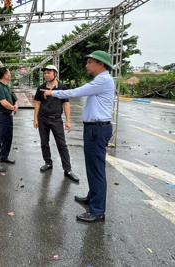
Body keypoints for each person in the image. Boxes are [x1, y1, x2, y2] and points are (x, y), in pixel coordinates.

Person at [41, 50, 114, 223]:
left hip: (97, 129)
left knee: (96, 170)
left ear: (101, 64)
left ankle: (97, 211)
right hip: (94, 128)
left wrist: (52, 93)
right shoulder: (100, 80)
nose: (86, 65)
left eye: (89, 62)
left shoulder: (103, 79)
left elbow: (74, 92)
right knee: (92, 167)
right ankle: (92, 198)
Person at [33, 65, 79, 183]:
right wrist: (35, 119)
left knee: (61, 144)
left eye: (49, 72)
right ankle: (48, 163)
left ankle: (67, 170)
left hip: (56, 119)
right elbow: (37, 103)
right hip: (43, 119)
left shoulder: (62, 88)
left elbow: (66, 104)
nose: (46, 75)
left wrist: (68, 121)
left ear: (55, 74)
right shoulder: (41, 88)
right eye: (45, 73)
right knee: (44, 142)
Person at [0, 67, 18, 172]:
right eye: (9, 73)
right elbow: (4, 103)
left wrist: (15, 104)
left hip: (8, 116)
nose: (10, 75)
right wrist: (13, 108)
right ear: (4, 75)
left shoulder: (6, 86)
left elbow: (12, 98)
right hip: (0, 116)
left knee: (8, 138)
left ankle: (4, 157)